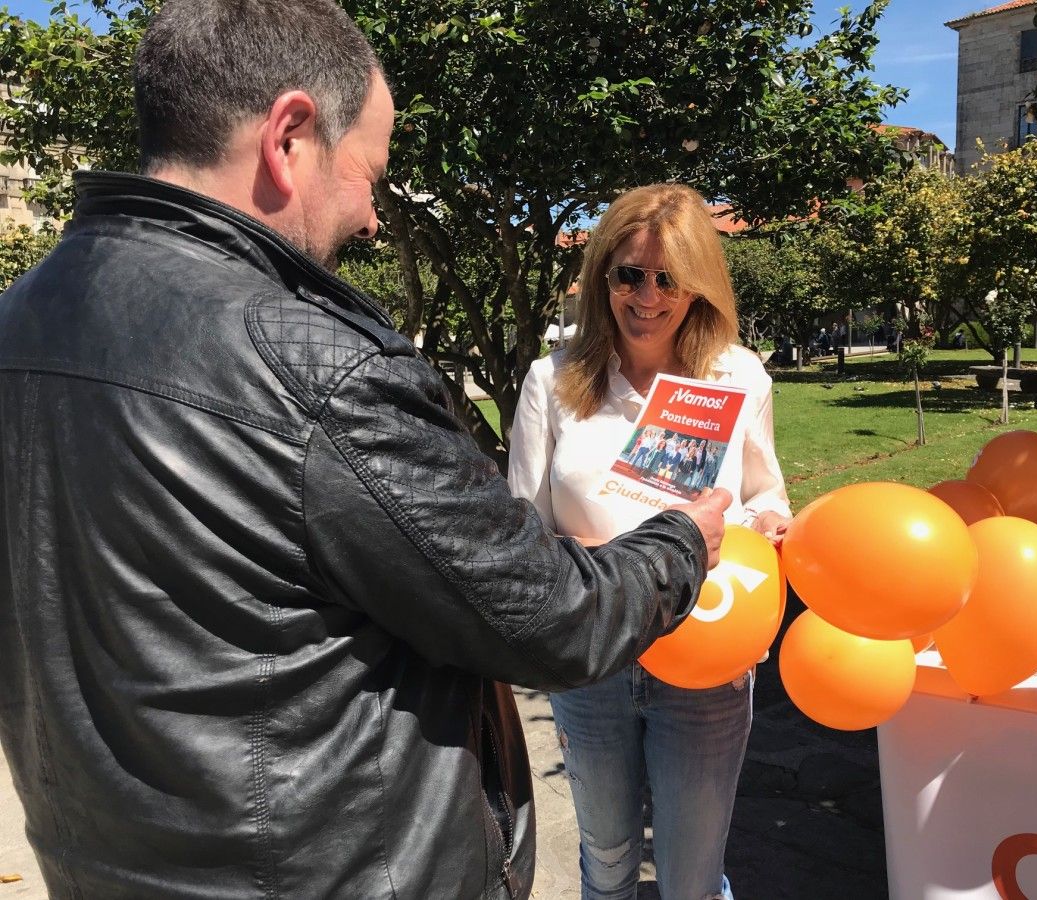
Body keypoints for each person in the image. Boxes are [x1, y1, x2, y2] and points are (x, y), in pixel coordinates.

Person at [0, 3, 732, 898]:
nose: (374, 217)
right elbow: (548, 617)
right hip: (333, 870)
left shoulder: (18, 321)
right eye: (370, 174)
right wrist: (680, 541)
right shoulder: (314, 367)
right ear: (291, 136)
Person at [508, 183, 792, 900]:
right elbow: (522, 528)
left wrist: (769, 527)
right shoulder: (555, 380)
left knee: (691, 877)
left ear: (699, 285)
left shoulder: (737, 376)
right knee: (605, 864)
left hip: (708, 662)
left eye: (669, 278)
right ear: (602, 274)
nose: (647, 296)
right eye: (629, 274)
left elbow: (765, 497)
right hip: (594, 662)